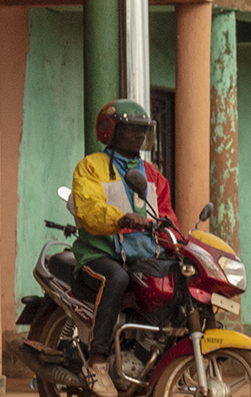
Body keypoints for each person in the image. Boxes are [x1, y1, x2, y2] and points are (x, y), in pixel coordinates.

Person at [67, 100, 173, 382]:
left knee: (170, 281)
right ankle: (97, 358)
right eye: (130, 130)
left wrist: (177, 238)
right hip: (99, 254)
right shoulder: (90, 167)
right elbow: (89, 209)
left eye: (142, 131)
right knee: (115, 279)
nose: (137, 137)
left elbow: (166, 214)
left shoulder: (153, 174)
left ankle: (146, 351)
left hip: (142, 256)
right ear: (109, 130)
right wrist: (122, 219)